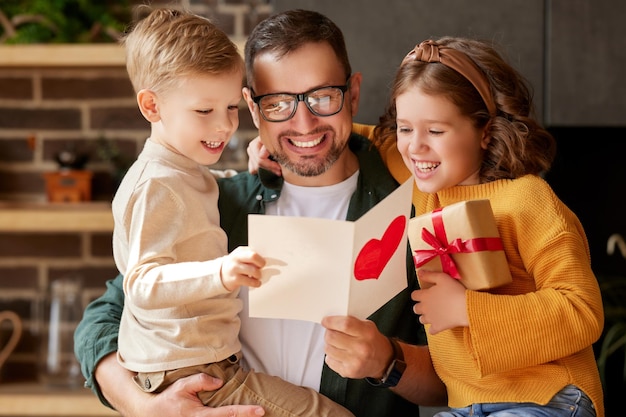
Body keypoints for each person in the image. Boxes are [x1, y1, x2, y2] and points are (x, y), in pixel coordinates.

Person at [74, 9, 447, 417]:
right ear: (253, 107)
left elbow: (459, 382)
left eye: (322, 97)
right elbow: (105, 316)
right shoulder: (219, 202)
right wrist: (144, 406)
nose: (303, 123)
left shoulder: (413, 208)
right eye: (279, 103)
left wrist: (387, 361)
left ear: (352, 95)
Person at [110, 7, 355, 416]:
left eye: (229, 109)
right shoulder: (155, 184)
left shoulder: (185, 172)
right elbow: (139, 285)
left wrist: (243, 172)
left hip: (204, 361)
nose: (224, 126)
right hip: (190, 371)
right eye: (204, 112)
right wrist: (218, 273)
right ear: (152, 106)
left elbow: (194, 196)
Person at [372, 37, 604, 417]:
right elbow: (360, 139)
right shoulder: (423, 186)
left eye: (436, 131)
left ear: (484, 131)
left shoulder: (527, 200)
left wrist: (466, 308)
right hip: (466, 406)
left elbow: (582, 310)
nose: (415, 147)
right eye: (404, 128)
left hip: (548, 396)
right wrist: (272, 146)